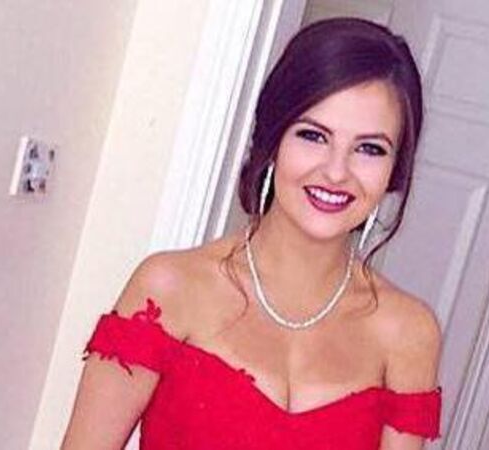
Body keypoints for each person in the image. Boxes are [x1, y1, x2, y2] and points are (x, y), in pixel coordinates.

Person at [62, 17, 442, 450]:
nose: (337, 171)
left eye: (369, 148)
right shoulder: (169, 287)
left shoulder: (408, 332)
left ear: (396, 168)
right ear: (273, 140)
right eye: (313, 136)